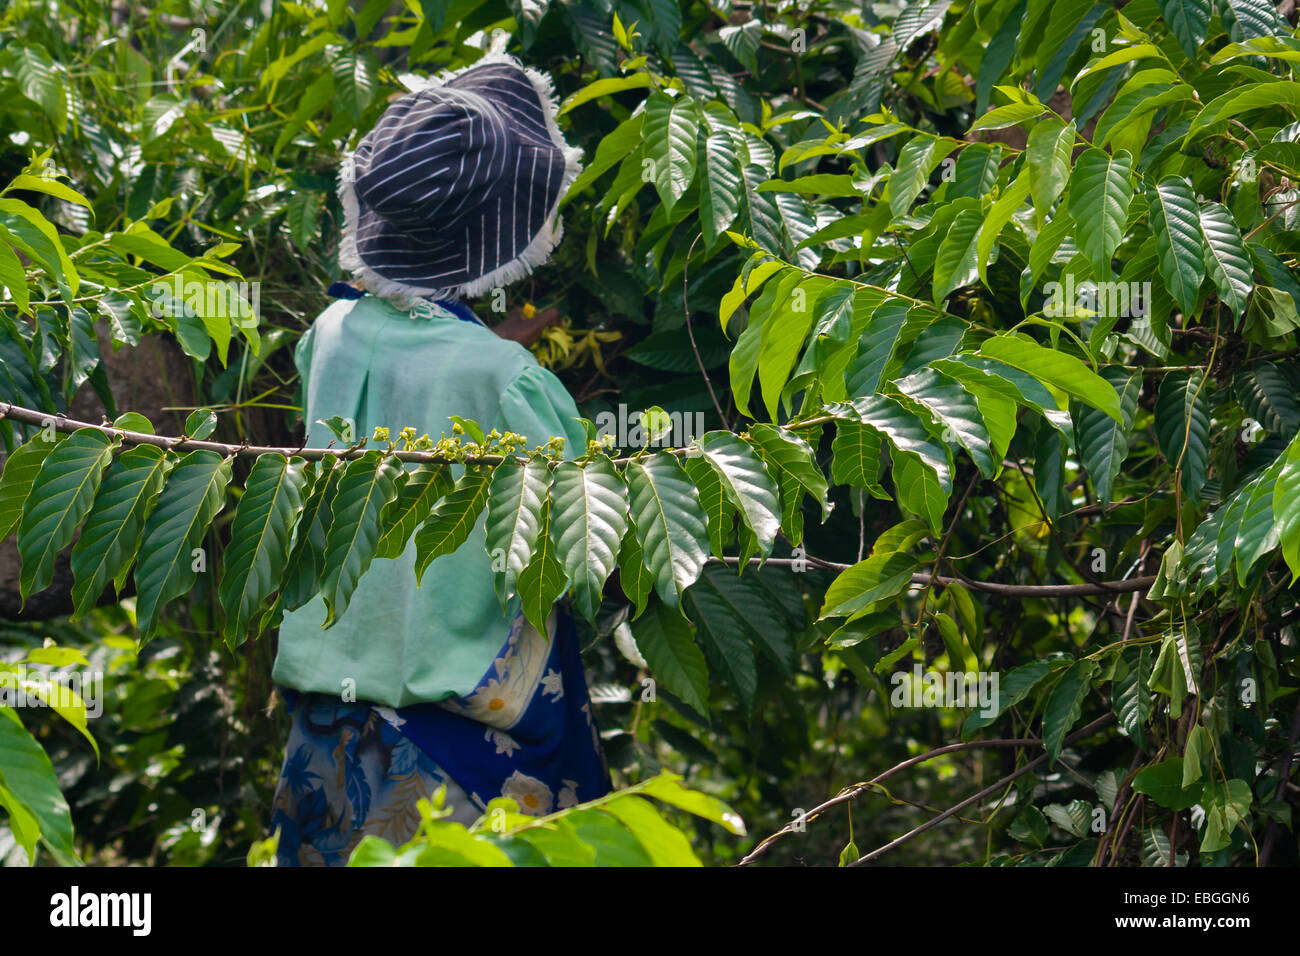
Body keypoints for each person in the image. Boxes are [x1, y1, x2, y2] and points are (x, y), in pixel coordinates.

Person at [268, 53, 610, 867]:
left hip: (329, 718)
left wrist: (482, 349)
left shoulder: (327, 335)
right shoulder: (509, 380)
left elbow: (406, 378)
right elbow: (583, 537)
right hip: (464, 744)